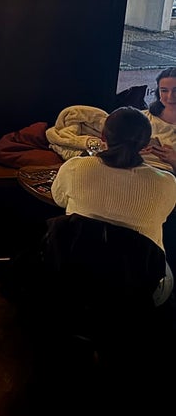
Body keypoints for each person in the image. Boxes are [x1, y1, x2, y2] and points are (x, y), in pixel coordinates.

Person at [51, 106, 176, 307]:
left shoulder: (75, 167)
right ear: (146, 143)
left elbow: (58, 199)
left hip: (76, 277)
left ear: (102, 136)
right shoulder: (167, 183)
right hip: (140, 288)